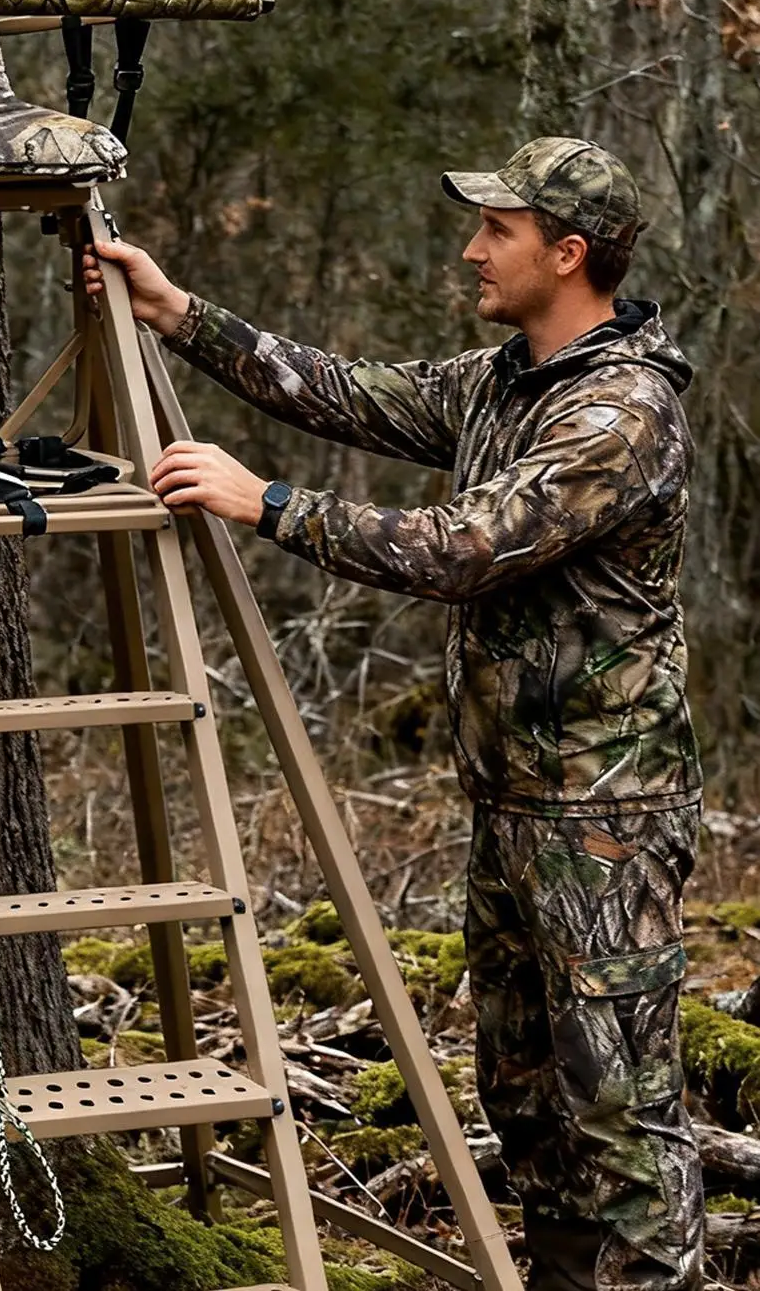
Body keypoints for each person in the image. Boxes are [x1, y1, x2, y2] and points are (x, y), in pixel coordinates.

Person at [85, 137, 701, 1291]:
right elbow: (347, 390)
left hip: (603, 818)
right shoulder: (502, 379)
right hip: (514, 799)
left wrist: (262, 500)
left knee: (617, 1115)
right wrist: (179, 313)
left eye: (498, 232)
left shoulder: (616, 413)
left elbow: (462, 547)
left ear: (567, 254)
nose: (471, 249)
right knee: (526, 1098)